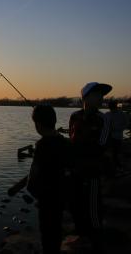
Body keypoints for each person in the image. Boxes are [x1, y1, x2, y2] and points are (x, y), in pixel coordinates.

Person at [69, 82, 112, 253]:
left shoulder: (104, 119)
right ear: (85, 97)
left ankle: (96, 240)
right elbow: (72, 139)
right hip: (76, 169)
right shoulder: (74, 116)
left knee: (93, 206)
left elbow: (101, 146)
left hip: (93, 170)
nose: (101, 98)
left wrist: (80, 148)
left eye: (102, 95)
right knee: (76, 204)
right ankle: (81, 235)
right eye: (97, 94)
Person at [27, 104, 72, 254]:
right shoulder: (64, 142)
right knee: (57, 228)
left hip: (46, 198)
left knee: (46, 231)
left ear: (38, 125)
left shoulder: (41, 146)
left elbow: (34, 174)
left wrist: (32, 190)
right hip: (61, 195)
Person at [106, 100, 128, 171]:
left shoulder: (121, 114)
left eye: (112, 106)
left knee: (116, 153)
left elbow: (125, 124)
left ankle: (118, 167)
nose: (110, 107)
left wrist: (117, 129)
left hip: (117, 137)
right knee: (111, 153)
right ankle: (114, 167)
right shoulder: (107, 114)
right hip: (109, 137)